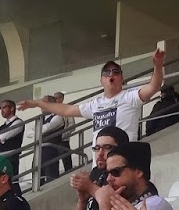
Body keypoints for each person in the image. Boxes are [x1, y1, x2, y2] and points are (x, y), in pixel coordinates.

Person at [21, 48, 167, 143]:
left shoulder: (130, 97)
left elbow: (153, 87)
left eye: (116, 72)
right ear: (101, 80)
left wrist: (158, 66)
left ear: (122, 78)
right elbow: (66, 110)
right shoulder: (95, 104)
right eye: (106, 72)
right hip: (100, 166)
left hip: (123, 164)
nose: (111, 74)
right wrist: (38, 103)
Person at [70, 126, 129, 210]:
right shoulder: (95, 173)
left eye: (107, 148)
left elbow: (113, 199)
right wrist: (82, 201)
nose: (100, 154)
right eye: (97, 148)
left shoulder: (122, 174)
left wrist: (90, 187)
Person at [0, 100, 25, 174]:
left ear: (12, 108)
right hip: (1, 157)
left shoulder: (18, 122)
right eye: (1, 108)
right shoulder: (3, 126)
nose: (1, 111)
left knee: (10, 178)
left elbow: (0, 139)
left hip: (11, 158)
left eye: (4, 107)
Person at [38, 93, 70, 184]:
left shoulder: (58, 117)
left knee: (51, 176)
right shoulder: (40, 119)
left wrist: (38, 130)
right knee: (38, 178)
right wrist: (39, 130)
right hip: (40, 151)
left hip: (52, 150)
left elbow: (45, 129)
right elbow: (30, 133)